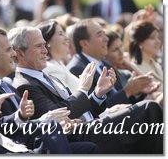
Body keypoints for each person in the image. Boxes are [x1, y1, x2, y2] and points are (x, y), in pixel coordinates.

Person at [9, 26, 163, 154]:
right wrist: (83, 89)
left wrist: (97, 94)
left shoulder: (43, 75)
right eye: (38, 46)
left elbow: (79, 109)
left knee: (148, 115)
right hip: (79, 136)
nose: (45, 51)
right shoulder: (24, 84)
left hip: (90, 127)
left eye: (44, 45)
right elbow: (60, 115)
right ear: (20, 52)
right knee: (149, 109)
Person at [0, 27, 98, 154]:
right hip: (17, 150)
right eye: (8, 49)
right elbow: (1, 132)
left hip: (32, 142)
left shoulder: (4, 83)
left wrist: (57, 123)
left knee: (89, 148)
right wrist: (46, 121)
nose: (14, 53)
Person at [66, 19, 158, 107]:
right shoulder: (77, 69)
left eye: (104, 34)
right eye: (99, 35)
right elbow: (94, 109)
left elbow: (124, 100)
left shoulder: (105, 64)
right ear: (84, 43)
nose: (106, 39)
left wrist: (139, 91)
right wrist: (128, 91)